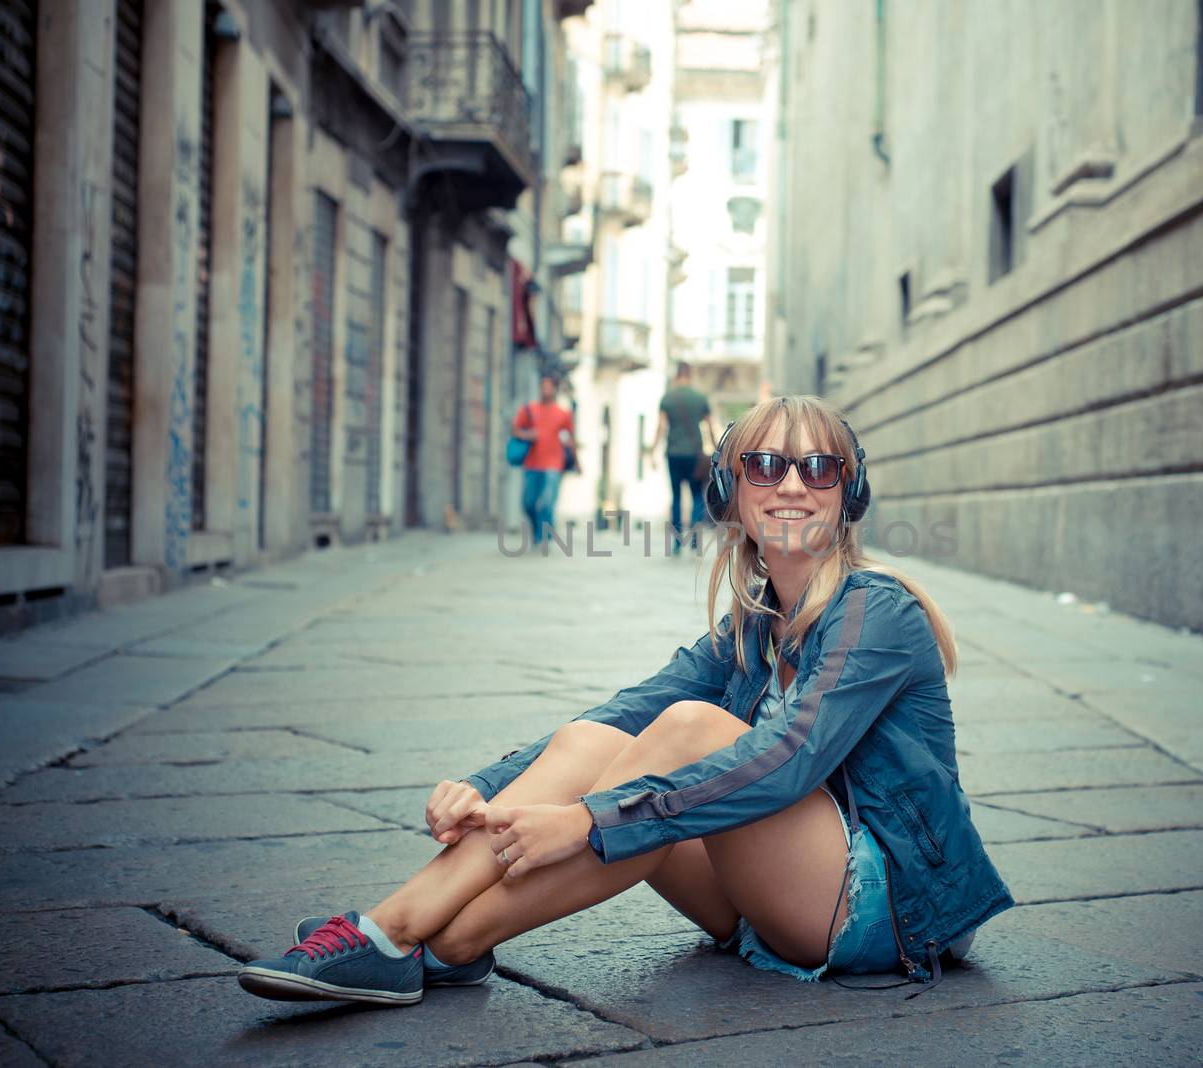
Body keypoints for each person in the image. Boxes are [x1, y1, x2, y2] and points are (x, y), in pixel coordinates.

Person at [236, 394, 1014, 1007]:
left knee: (687, 734)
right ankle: (435, 947)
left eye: (820, 469)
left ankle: (394, 932)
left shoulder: (876, 611)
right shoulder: (753, 629)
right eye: (766, 463)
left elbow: (786, 761)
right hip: (771, 896)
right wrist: (483, 783)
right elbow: (616, 716)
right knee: (599, 741)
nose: (790, 485)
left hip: (882, 910)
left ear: (849, 495)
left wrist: (587, 823)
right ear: (729, 489)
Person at [647, 362, 716, 553]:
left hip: (674, 454)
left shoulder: (667, 399)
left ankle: (677, 541)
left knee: (676, 496)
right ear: (689, 375)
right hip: (694, 454)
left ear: (677, 375)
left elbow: (661, 427)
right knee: (696, 496)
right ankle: (694, 536)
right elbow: (709, 426)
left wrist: (652, 451)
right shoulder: (700, 398)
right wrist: (717, 447)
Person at [513, 372, 577, 547]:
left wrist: (577, 462)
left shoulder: (562, 413)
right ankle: (536, 530)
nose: (545, 390)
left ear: (554, 390)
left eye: (549, 387)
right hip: (532, 463)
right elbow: (516, 430)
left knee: (548, 502)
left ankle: (544, 535)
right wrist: (528, 435)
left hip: (553, 464)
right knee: (528, 503)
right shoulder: (529, 410)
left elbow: (570, 438)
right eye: (543, 387)